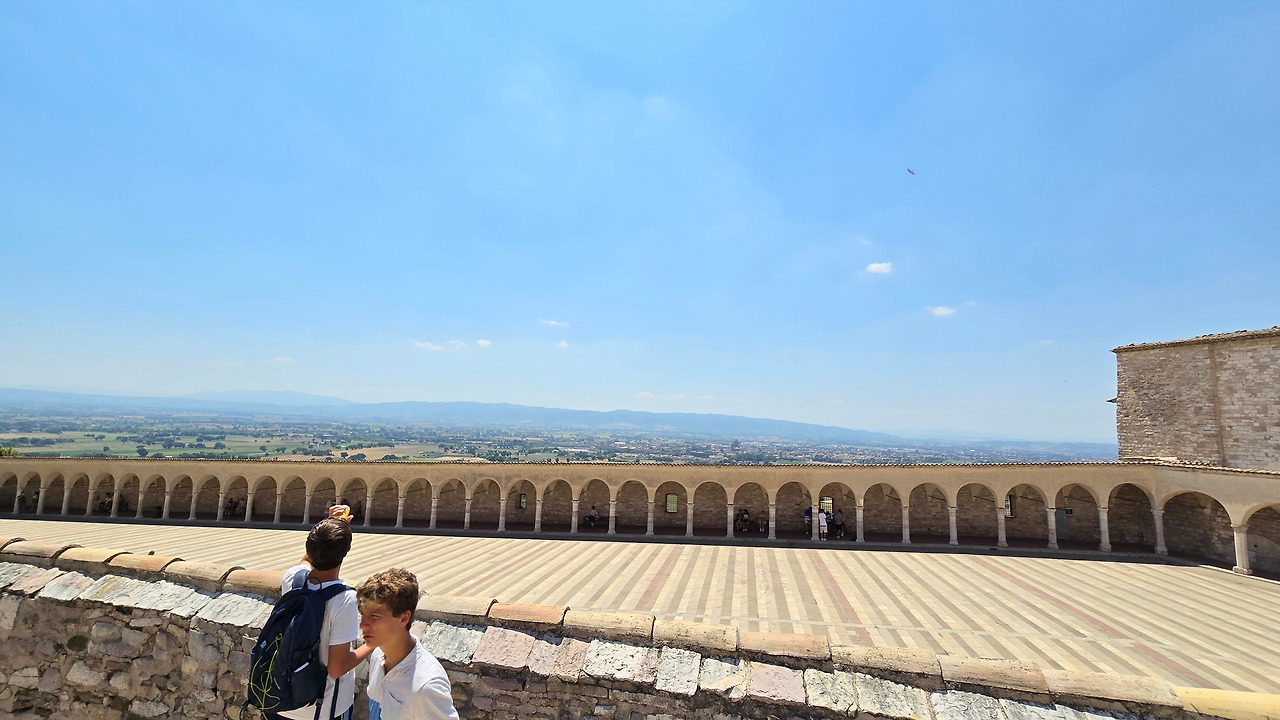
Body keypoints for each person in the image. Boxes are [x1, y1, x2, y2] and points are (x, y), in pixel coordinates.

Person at [278, 507, 373, 719]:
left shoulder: (292, 579)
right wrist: (372, 644)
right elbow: (336, 668)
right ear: (347, 549)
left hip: (283, 699)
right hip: (321, 708)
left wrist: (328, 524)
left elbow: (306, 560)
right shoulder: (343, 599)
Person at [358, 569, 458, 720]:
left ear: (404, 618)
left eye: (374, 616)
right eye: (363, 615)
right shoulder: (377, 656)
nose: (363, 625)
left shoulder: (426, 685)